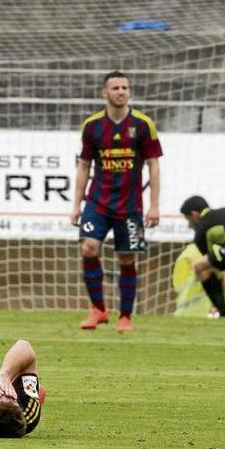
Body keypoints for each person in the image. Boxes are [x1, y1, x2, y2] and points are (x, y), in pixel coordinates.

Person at [70, 71, 163, 333]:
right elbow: (84, 166)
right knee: (88, 248)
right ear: (105, 93)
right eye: (115, 88)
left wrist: (154, 204)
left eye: (125, 87)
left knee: (126, 259)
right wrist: (76, 204)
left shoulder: (143, 124)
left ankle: (125, 316)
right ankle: (98, 309)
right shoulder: (92, 126)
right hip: (97, 202)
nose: (121, 91)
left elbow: (154, 166)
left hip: (130, 206)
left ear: (129, 92)